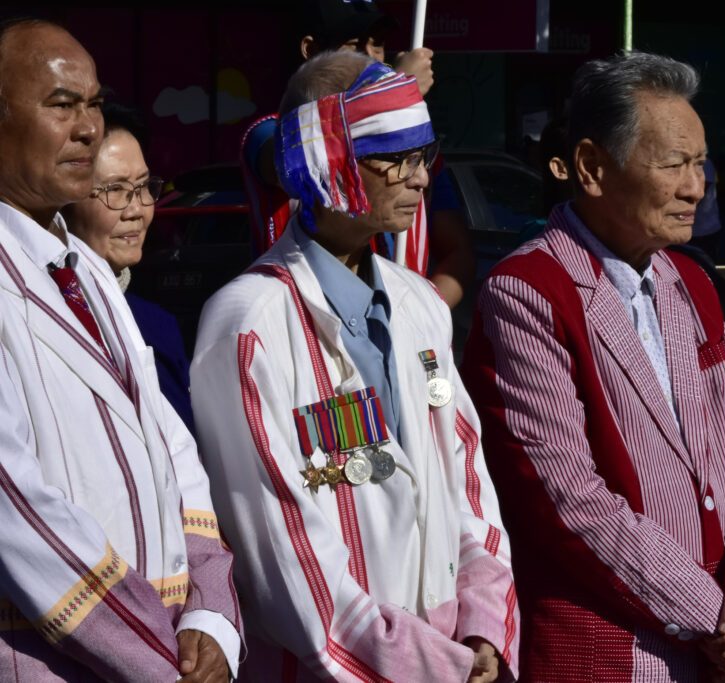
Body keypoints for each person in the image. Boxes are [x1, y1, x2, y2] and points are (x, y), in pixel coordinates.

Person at [191, 50, 517, 681]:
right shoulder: (249, 323)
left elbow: (467, 481)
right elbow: (283, 554)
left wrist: (482, 626)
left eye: (424, 155)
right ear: (324, 162)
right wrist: (427, 664)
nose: (420, 178)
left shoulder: (421, 303)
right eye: (394, 158)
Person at [460, 51, 725, 682]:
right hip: (613, 650)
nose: (697, 186)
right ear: (590, 168)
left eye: (700, 163)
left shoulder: (690, 282)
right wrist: (712, 615)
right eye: (673, 165)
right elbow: (568, 499)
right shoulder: (528, 289)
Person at [0, 18, 241, 681]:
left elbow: (174, 452)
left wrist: (212, 615)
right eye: (60, 105)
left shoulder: (87, 270)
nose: (89, 128)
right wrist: (163, 655)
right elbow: (19, 514)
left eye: (95, 104)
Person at [242, 0, 475, 307]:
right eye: (353, 45)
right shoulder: (274, 133)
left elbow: (457, 251)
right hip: (305, 316)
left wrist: (417, 317)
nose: (371, 58)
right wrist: (394, 94)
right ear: (311, 50)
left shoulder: (420, 152)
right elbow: (294, 162)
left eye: (377, 45)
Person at [62, 102, 196, 434]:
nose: (137, 210)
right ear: (65, 201)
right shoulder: (49, 320)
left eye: (143, 187)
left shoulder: (156, 325)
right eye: (115, 190)